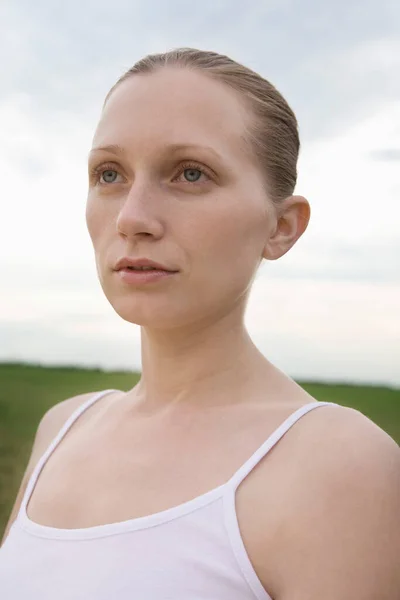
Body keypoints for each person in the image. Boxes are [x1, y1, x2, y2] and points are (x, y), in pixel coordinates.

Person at [0, 48, 399, 599]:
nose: (132, 217)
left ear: (282, 227)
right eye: (109, 174)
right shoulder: (62, 428)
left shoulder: (340, 466)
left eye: (190, 173)